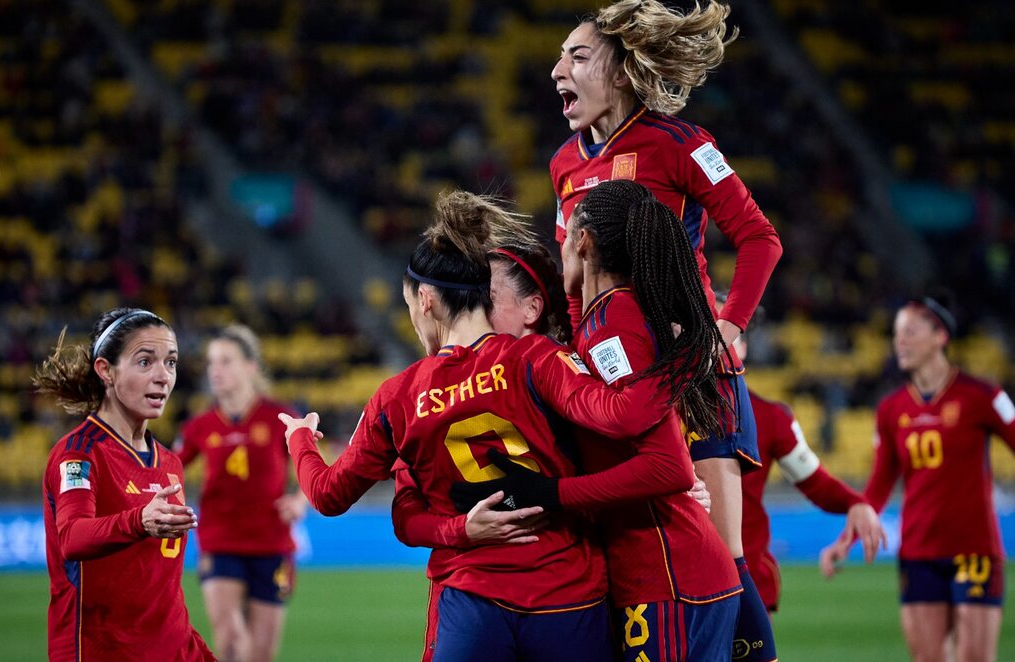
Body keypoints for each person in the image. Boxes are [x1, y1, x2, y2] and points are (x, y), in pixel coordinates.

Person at [282, 190, 699, 661]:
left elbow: (328, 495)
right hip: (568, 594)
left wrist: (300, 440)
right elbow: (615, 419)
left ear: (425, 301)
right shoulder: (543, 358)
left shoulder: (397, 396)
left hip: (471, 600)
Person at [548, 2, 783, 657]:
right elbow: (572, 288)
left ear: (621, 73)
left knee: (720, 557)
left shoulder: (682, 143)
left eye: (577, 56)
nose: (556, 69)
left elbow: (759, 238)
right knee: (642, 562)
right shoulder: (564, 165)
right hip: (622, 387)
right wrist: (577, 362)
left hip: (692, 378)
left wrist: (729, 327)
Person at [393, 229, 716, 661]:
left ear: (532, 308)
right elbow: (407, 507)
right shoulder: (431, 390)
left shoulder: (568, 369)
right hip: (530, 596)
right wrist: (460, 530)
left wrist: (666, 491)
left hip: (596, 588)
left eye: (485, 298)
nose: (474, 310)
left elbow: (652, 457)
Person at [820, 297, 1015, 662]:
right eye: (896, 334)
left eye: (910, 331)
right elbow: (879, 484)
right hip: (918, 552)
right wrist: (846, 538)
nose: (900, 342)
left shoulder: (984, 396)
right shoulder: (891, 409)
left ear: (940, 336)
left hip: (974, 550)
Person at [34, 308, 214, 661]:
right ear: (106, 371)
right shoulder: (79, 455)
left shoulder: (171, 464)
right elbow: (72, 537)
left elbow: (163, 593)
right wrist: (138, 521)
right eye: (145, 362)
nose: (163, 376)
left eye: (171, 362)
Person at [722, 294, 885, 618]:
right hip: (681, 579)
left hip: (747, 579)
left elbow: (813, 481)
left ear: (744, 347)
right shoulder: (664, 410)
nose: (718, 339)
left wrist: (855, 502)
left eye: (729, 331)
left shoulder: (771, 417)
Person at [175, 324, 305, 662]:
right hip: (220, 541)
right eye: (211, 363)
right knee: (231, 643)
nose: (215, 371)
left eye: (225, 361)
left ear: (250, 366)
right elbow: (168, 469)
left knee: (260, 653)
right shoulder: (199, 426)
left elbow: (310, 466)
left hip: (272, 542)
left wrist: (300, 500)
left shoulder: (280, 417)